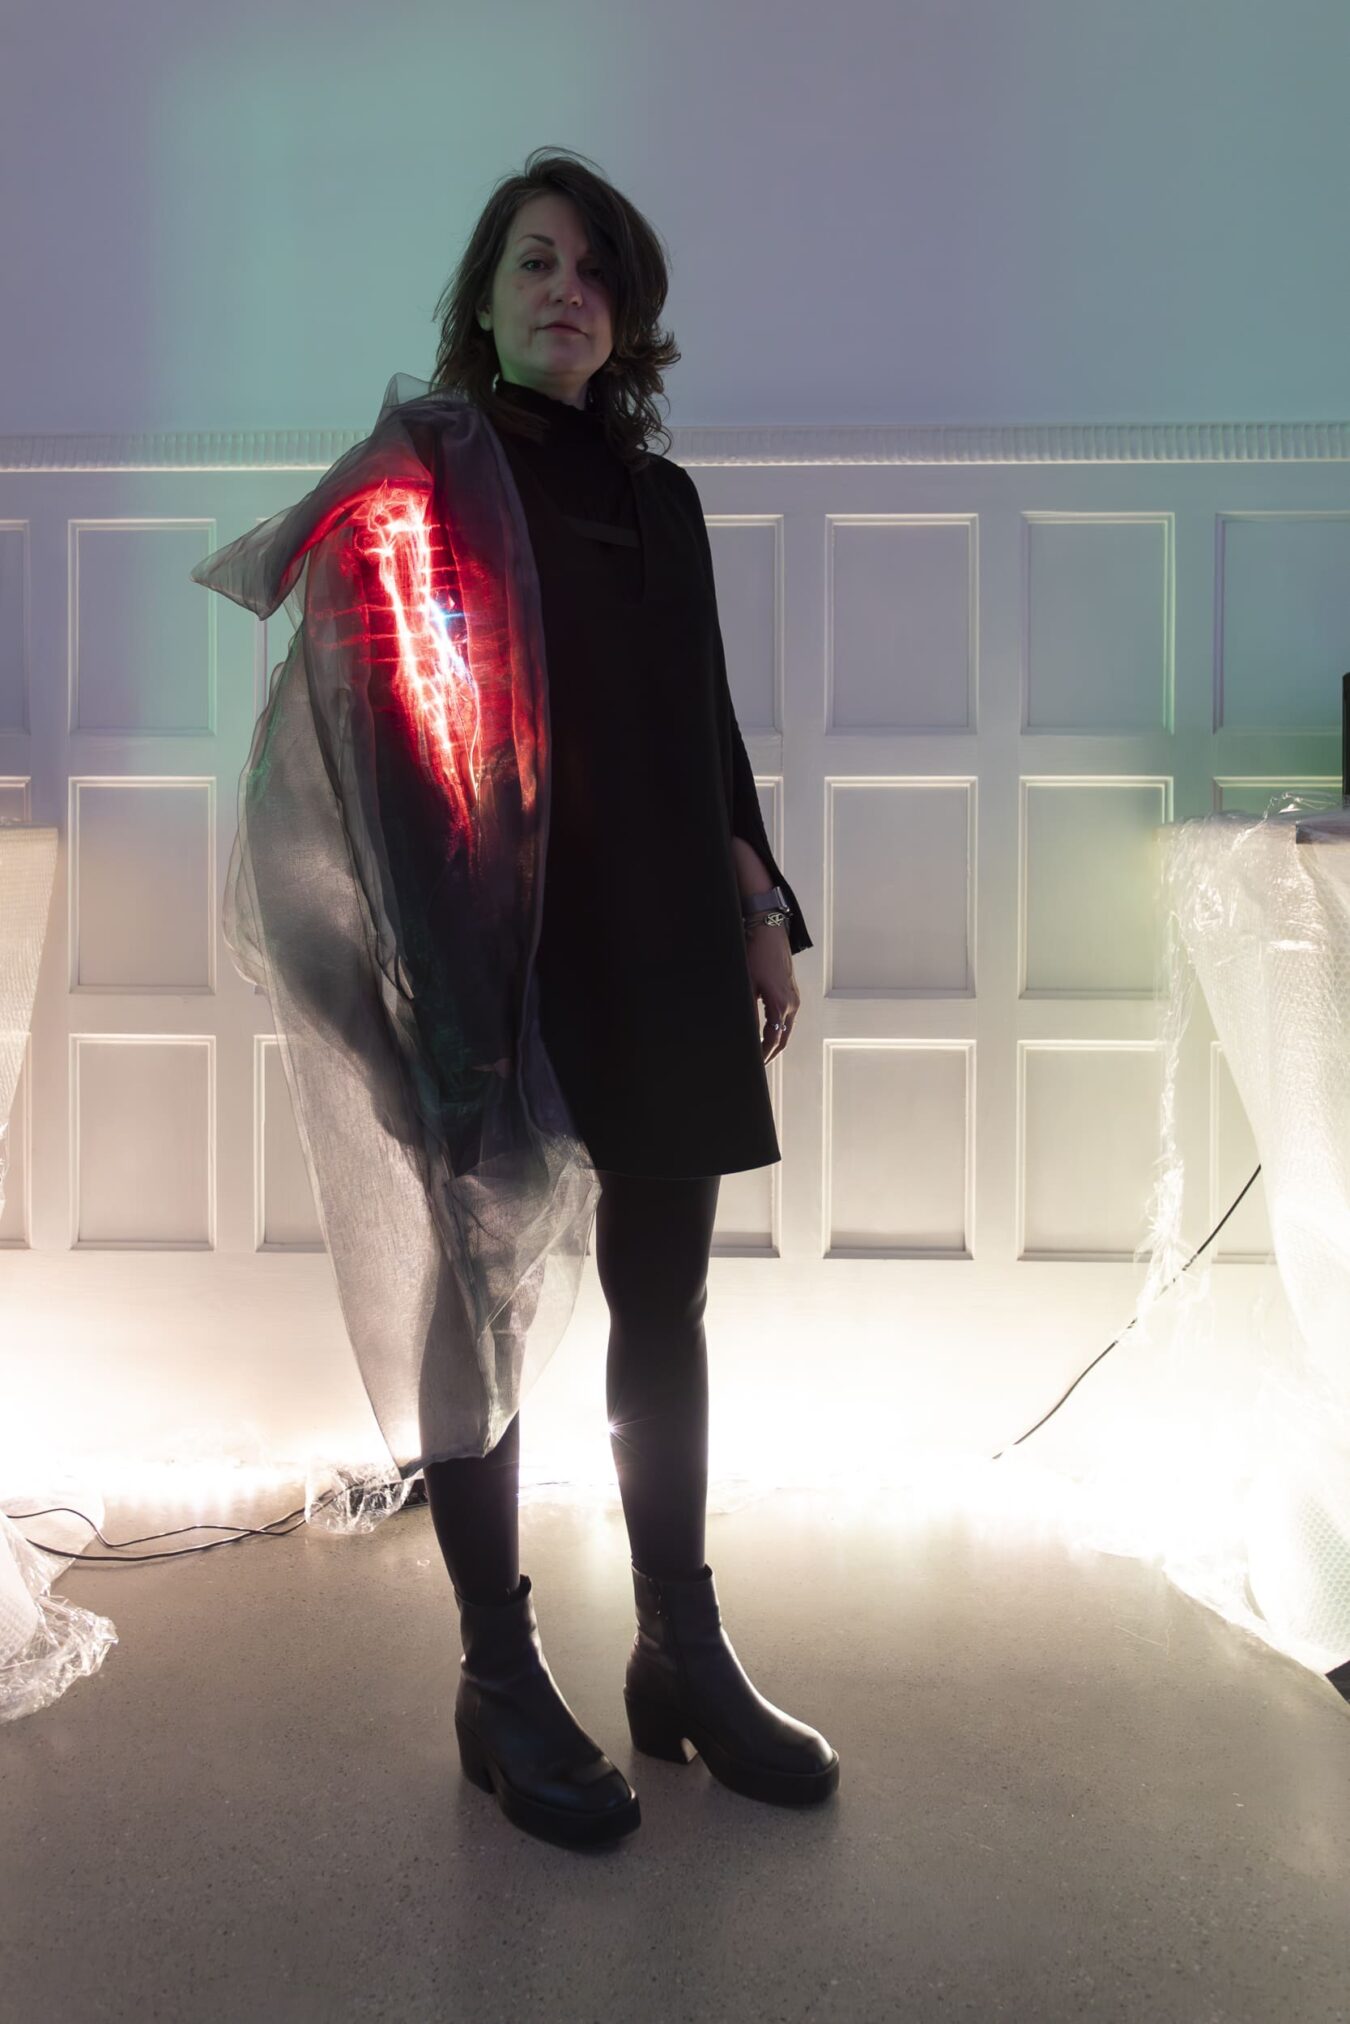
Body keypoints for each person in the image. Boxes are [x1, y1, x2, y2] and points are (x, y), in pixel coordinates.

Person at [414, 151, 839, 1851]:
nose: (566, 292)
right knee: (481, 1317)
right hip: (496, 947)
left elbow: (702, 727)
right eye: (535, 262)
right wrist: (425, 955)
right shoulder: (434, 477)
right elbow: (380, 734)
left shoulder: (664, 498)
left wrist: (758, 907)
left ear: (628, 312)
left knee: (663, 1301)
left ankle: (680, 1649)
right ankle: (497, 1677)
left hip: (665, 937)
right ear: (485, 294)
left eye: (595, 270)